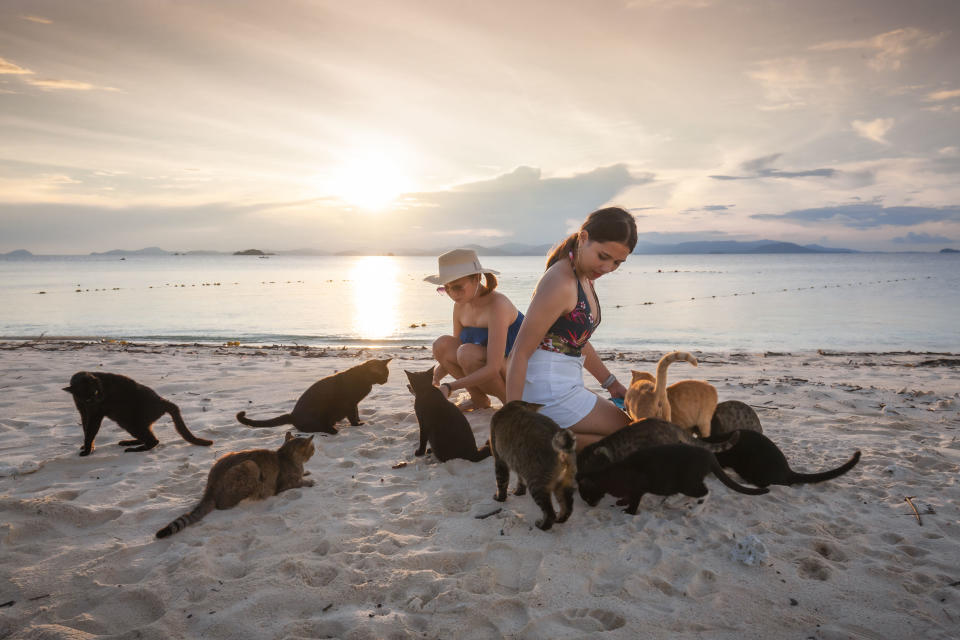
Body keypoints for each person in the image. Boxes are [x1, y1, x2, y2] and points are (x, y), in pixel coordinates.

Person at [505, 207, 637, 449]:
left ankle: (547, 440)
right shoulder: (560, 281)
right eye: (603, 256)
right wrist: (513, 420)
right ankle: (538, 440)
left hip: (563, 383)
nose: (607, 268)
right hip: (547, 390)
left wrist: (610, 383)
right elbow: (519, 352)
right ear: (584, 238)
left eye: (617, 262)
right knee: (631, 435)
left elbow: (578, 340)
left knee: (628, 431)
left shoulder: (584, 274)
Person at [426, 248, 524, 411]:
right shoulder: (460, 306)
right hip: (492, 366)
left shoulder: (497, 305)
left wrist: (450, 387)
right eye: (446, 288)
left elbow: (492, 366)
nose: (452, 294)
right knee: (441, 345)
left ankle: (510, 404)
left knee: (467, 353)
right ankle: (479, 399)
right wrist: (434, 378)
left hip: (520, 370)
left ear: (477, 278)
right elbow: (452, 353)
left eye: (457, 287)